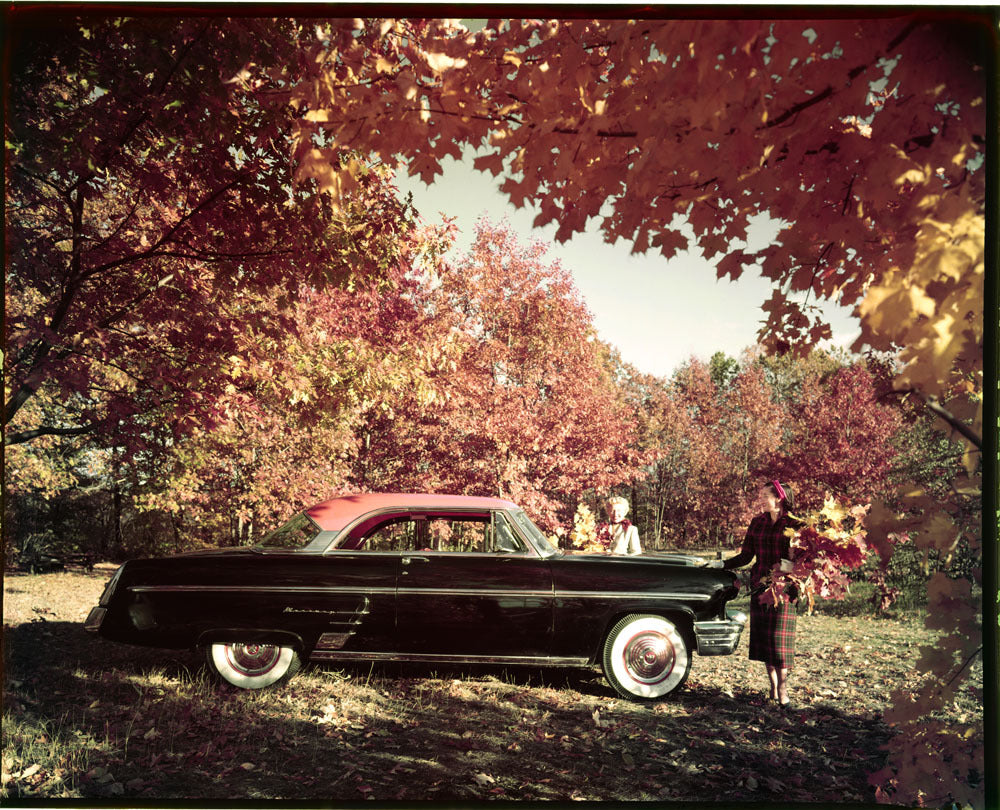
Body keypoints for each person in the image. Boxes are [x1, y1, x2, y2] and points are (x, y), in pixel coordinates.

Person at [707, 480, 799, 706]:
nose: (761, 500)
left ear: (778, 498)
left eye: (764, 496)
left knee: (779, 640)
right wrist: (721, 565)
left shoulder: (796, 524)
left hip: (784, 587)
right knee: (764, 639)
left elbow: (802, 558)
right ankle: (773, 688)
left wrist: (787, 570)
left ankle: (784, 689)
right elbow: (746, 556)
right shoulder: (757, 523)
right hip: (760, 585)